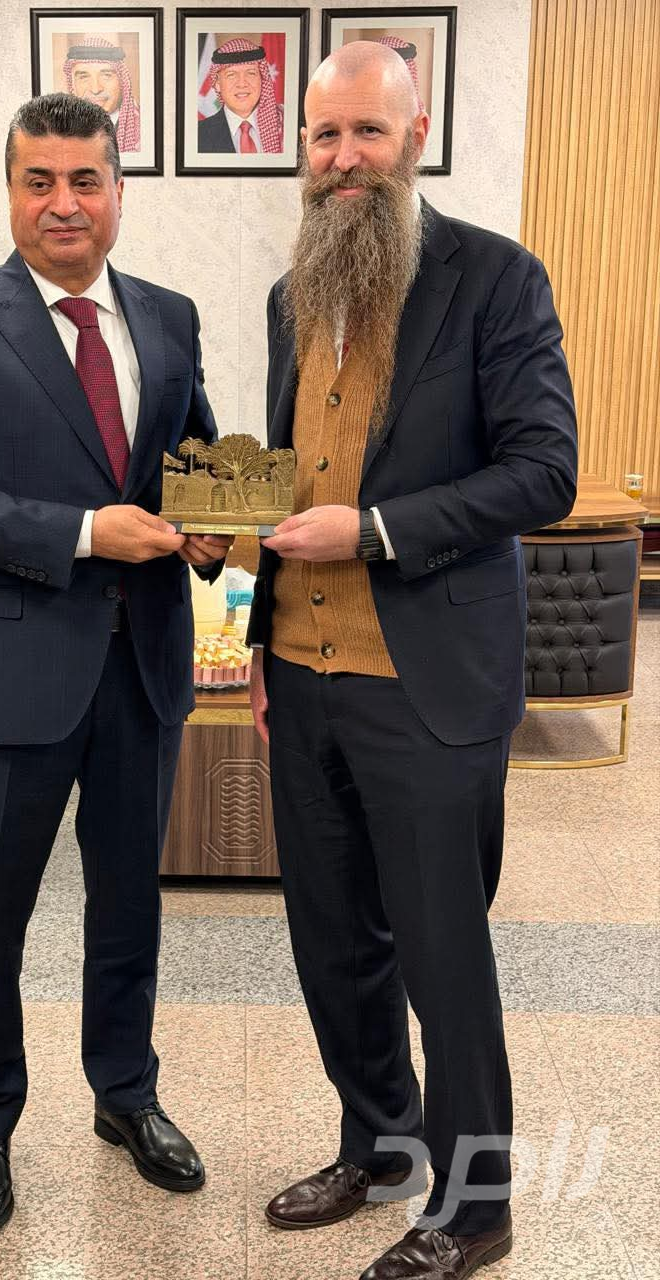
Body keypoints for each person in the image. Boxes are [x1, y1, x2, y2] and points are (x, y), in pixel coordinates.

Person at [247, 44, 578, 1280]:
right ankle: (379, 1143)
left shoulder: (495, 279)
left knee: (444, 957)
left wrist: (376, 529)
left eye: (367, 134)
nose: (343, 160)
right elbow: (290, 480)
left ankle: (477, 1205)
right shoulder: (289, 297)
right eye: (324, 136)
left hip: (429, 685)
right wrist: (253, 612)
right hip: (301, 675)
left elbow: (543, 470)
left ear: (416, 136)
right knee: (333, 945)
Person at [0, 93, 231, 1234]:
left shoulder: (169, 317)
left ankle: (125, 1094)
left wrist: (212, 523)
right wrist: (86, 532)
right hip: (12, 672)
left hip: (144, 668)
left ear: (119, 191)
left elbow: (193, 454)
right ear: (12, 192)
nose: (64, 203)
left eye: (86, 180)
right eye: (40, 181)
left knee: (130, 902)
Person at [197, 38, 284, 155]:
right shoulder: (198, 135)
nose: (242, 84)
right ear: (217, 84)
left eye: (251, 73)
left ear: (262, 79)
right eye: (231, 75)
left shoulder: (284, 125)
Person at [64, 36, 141, 153]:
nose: (95, 89)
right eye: (84, 77)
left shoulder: (143, 129)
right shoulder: (59, 130)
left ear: (122, 82)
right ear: (73, 86)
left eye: (106, 76)